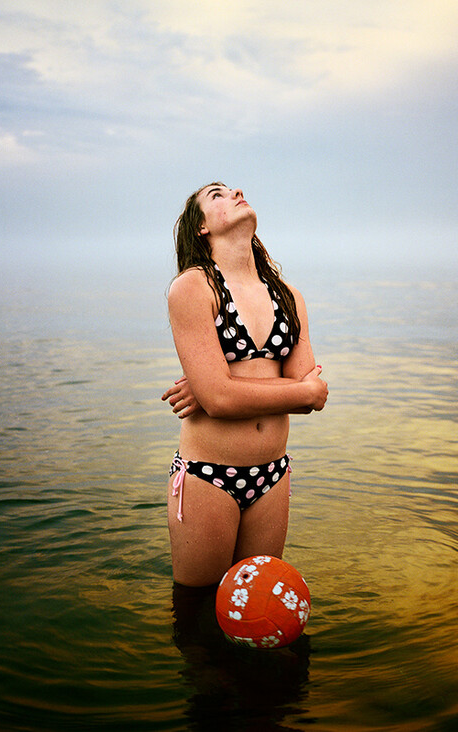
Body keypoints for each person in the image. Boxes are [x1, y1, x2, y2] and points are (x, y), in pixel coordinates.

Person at [161, 182, 328, 587]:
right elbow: (223, 400)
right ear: (201, 227)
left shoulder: (289, 295)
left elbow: (311, 397)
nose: (235, 191)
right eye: (216, 195)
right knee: (197, 614)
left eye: (232, 189)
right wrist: (214, 390)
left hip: (272, 475)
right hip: (208, 476)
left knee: (258, 603)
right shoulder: (193, 287)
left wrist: (223, 385)